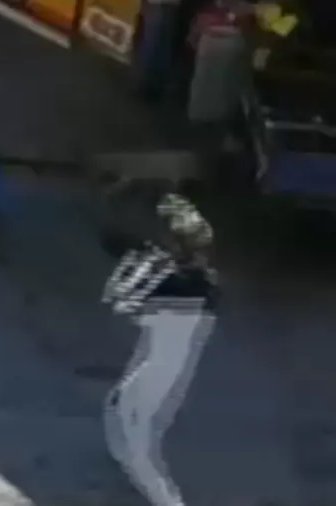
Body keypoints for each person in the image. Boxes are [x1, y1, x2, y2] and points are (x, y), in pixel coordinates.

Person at [101, 190, 219, 506]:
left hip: (161, 368)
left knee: (135, 440)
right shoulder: (201, 281)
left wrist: (139, 263)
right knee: (123, 419)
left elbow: (121, 301)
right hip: (162, 363)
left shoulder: (182, 283)